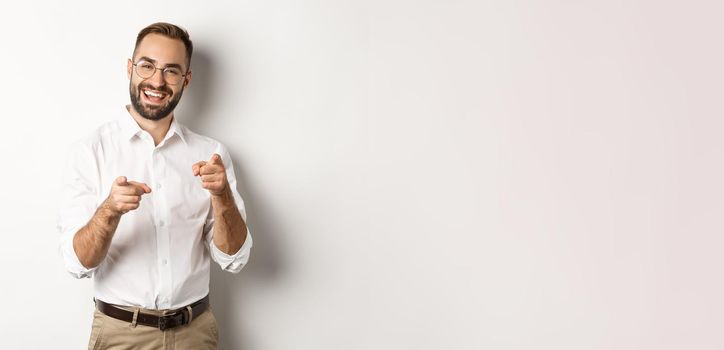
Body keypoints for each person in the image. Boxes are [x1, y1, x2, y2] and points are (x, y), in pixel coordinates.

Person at [56, 22, 252, 349]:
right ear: (130, 68)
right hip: (121, 334)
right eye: (147, 66)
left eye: (171, 71)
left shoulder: (212, 154)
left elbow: (235, 259)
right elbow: (77, 264)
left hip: (195, 332)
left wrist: (222, 197)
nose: (157, 81)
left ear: (186, 80)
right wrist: (109, 211)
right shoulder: (90, 151)